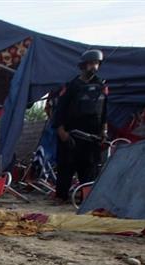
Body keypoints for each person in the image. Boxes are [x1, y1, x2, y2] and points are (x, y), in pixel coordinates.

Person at [52, 49, 109, 203]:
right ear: (83, 65)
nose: (94, 67)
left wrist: (104, 129)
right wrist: (61, 130)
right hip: (71, 134)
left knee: (89, 169)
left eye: (96, 63)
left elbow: (104, 111)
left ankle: (86, 199)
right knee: (66, 167)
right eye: (91, 63)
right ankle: (61, 197)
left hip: (92, 136)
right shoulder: (71, 86)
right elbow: (59, 110)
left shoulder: (101, 85)